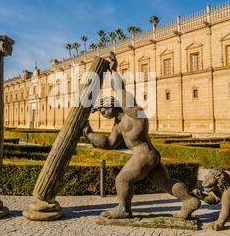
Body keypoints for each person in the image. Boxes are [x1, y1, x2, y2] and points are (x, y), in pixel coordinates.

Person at [83, 52, 200, 219]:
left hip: (143, 155)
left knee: (122, 179)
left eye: (104, 109)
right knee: (165, 183)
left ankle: (124, 209)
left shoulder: (133, 112)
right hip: (151, 155)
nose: (103, 113)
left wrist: (113, 71)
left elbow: (120, 89)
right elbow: (108, 142)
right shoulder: (118, 125)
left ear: (113, 105)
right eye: (101, 112)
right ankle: (189, 200)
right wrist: (90, 134)